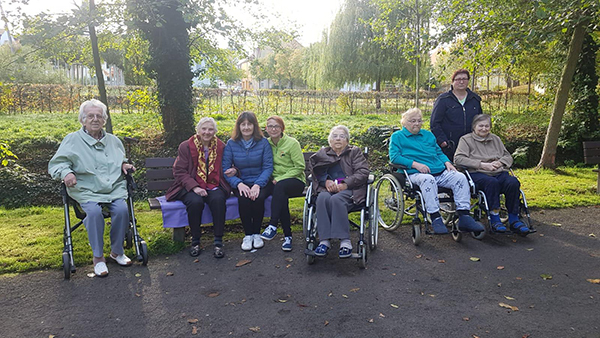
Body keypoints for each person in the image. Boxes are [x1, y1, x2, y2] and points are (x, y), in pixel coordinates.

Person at [48, 99, 135, 277]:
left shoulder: (114, 141)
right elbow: (57, 164)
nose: (95, 119)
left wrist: (124, 166)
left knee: (121, 209)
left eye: (99, 116)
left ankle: (117, 252)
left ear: (104, 119)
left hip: (112, 188)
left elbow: (119, 159)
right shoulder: (72, 140)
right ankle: (98, 258)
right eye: (90, 116)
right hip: (86, 189)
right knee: (94, 214)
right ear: (82, 119)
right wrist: (66, 173)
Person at [389, 108, 484, 235]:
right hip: (414, 173)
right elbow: (394, 157)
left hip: (439, 171)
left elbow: (439, 152)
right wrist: (416, 165)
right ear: (404, 122)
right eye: (412, 121)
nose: (416, 124)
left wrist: (447, 163)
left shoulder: (428, 135)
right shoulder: (397, 137)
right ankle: (435, 217)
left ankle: (464, 216)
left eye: (419, 121)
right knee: (428, 179)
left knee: (460, 177)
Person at [165, 117, 236, 258]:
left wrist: (234, 170)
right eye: (204, 129)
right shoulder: (185, 146)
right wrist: (195, 187)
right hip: (189, 186)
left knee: (218, 199)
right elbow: (179, 172)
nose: (207, 132)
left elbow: (230, 165)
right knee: (195, 202)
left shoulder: (221, 146)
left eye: (210, 129)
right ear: (198, 130)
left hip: (214, 184)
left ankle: (218, 242)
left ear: (215, 131)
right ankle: (195, 241)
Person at [454, 114, 529, 234]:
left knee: (513, 182)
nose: (484, 129)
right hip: (477, 172)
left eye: (487, 126)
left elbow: (508, 156)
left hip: (497, 171)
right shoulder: (465, 140)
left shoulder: (495, 139)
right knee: (491, 182)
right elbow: (458, 159)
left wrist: (500, 163)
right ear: (474, 127)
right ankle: (495, 219)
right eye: (481, 126)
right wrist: (482, 164)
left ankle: (514, 218)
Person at [310, 125, 369, 258]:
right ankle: (324, 240)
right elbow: (315, 171)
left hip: (350, 189)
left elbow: (363, 172)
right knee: (322, 198)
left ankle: (345, 241)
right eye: (334, 136)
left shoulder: (354, 152)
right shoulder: (323, 153)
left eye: (342, 136)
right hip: (327, 188)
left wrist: (345, 184)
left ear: (347, 141)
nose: (338, 139)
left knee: (337, 199)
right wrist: (325, 181)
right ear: (330, 140)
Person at [222, 111, 274, 251]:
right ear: (238, 126)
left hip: (260, 181)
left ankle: (257, 233)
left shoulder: (263, 143)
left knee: (258, 197)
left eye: (249, 124)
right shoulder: (231, 144)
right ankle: (248, 235)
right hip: (241, 182)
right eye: (243, 124)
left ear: (254, 126)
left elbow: (268, 167)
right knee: (244, 198)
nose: (246, 127)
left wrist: (258, 184)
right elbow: (226, 170)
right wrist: (238, 183)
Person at [260, 116, 306, 251]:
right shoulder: (265, 144)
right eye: (270, 126)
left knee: (280, 188)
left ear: (282, 128)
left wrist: (280, 179)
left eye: (276, 126)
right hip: (275, 183)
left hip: (295, 181)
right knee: (275, 194)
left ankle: (273, 225)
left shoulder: (292, 143)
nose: (273, 129)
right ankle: (288, 237)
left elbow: (299, 167)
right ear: (266, 129)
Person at [430, 68, 483, 160]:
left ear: (468, 81)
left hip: (470, 143)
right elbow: (434, 123)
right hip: (450, 144)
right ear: (453, 82)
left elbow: (480, 120)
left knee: (470, 168)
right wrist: (442, 141)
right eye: (458, 79)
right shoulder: (443, 99)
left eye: (464, 79)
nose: (461, 82)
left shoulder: (475, 99)